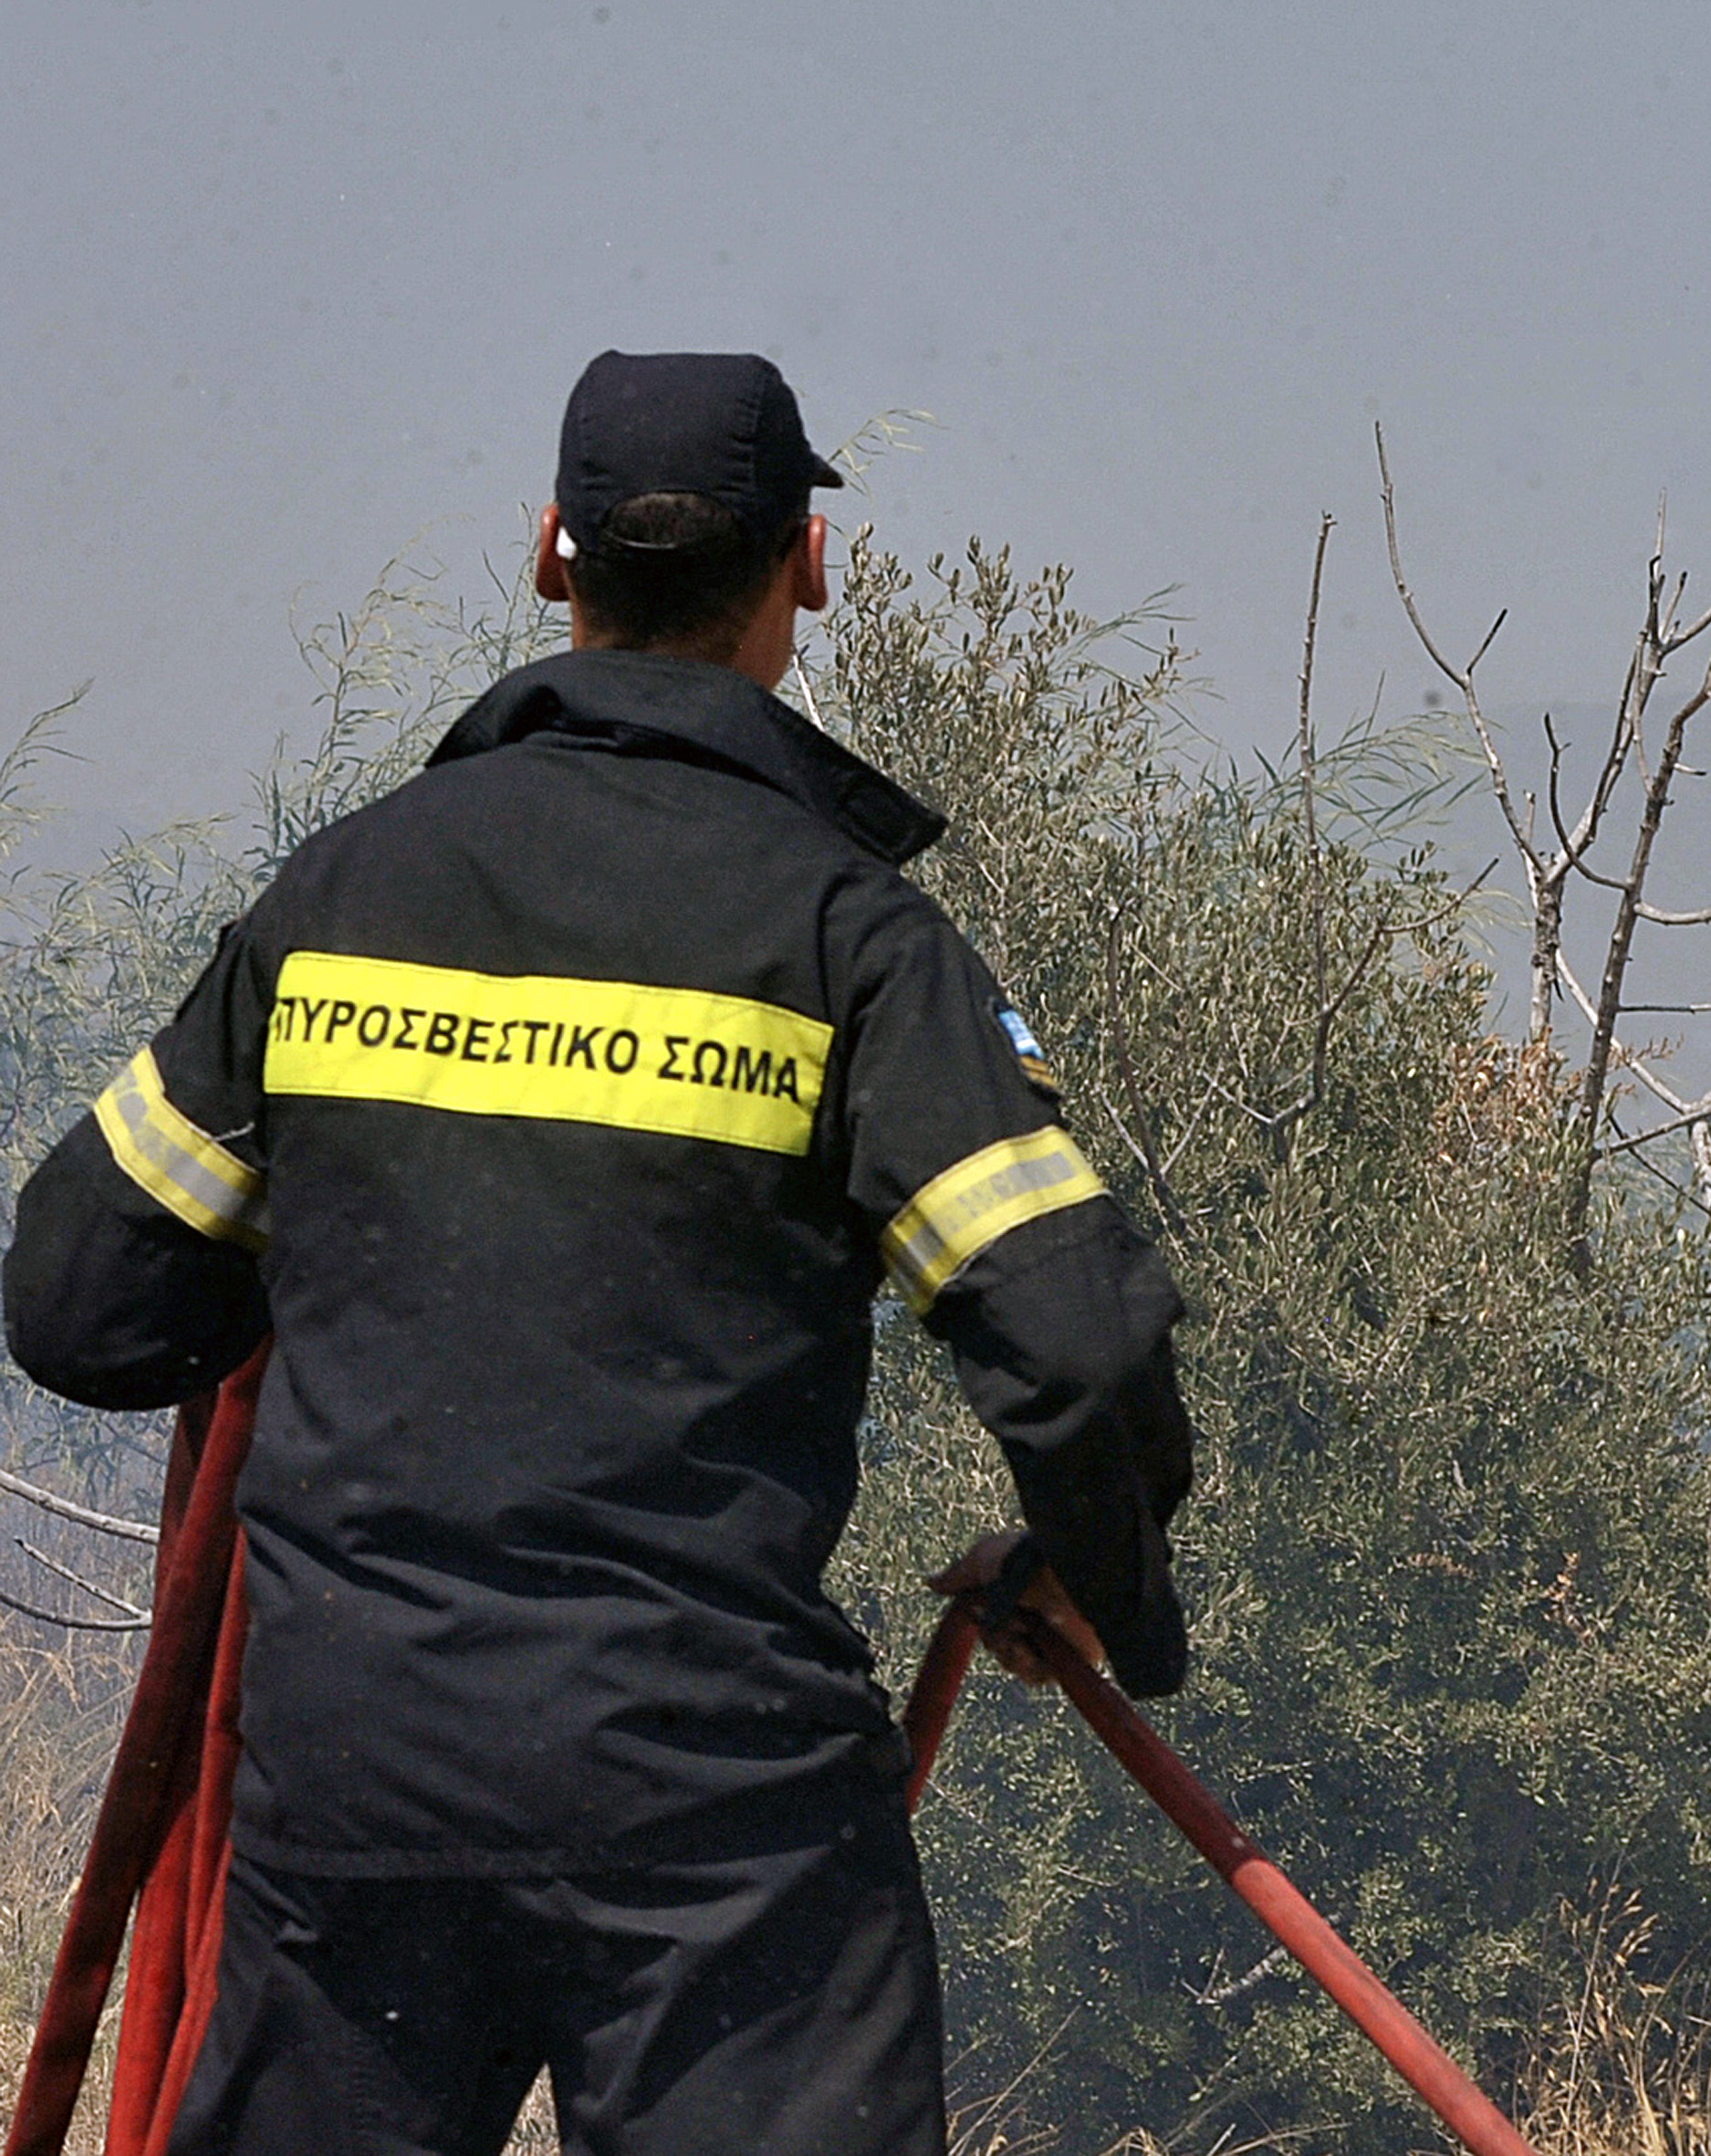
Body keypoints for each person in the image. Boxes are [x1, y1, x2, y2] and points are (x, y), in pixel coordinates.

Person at [3, 351, 1194, 2156]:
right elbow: (1079, 1343)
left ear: (551, 554)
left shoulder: (339, 900)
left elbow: (81, 1301)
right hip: (714, 1824)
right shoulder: (850, 940)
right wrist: (1104, 1578)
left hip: (358, 1800)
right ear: (809, 568)